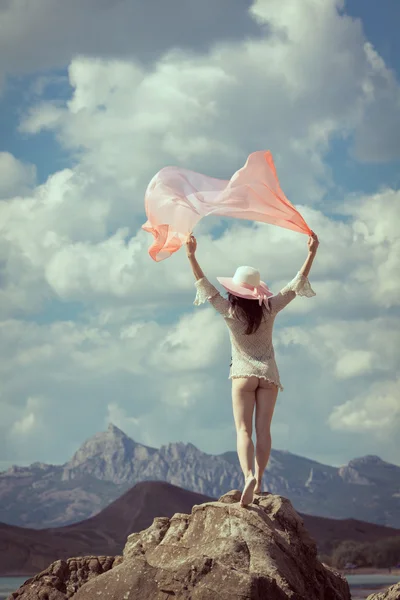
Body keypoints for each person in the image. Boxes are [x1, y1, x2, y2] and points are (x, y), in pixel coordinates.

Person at [186, 231, 319, 507]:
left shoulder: (229, 312)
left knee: (243, 430)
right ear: (258, 290)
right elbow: (296, 285)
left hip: (242, 376)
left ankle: (247, 475)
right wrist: (311, 253)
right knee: (264, 430)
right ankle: (259, 481)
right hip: (269, 375)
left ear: (235, 290)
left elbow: (204, 285)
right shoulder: (269, 308)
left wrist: (191, 255)